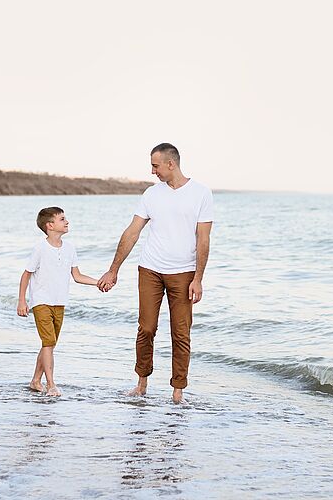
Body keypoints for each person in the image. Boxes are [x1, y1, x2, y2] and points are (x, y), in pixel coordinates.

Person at [97, 143, 214, 404]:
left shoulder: (201, 194)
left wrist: (198, 278)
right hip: (150, 269)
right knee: (146, 328)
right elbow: (132, 232)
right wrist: (113, 270)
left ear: (171, 164)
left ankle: (177, 391)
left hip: (184, 273)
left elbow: (203, 240)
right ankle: (141, 383)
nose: (153, 171)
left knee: (181, 333)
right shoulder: (151, 194)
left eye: (155, 165)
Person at [16, 207, 98, 396]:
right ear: (50, 226)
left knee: (49, 344)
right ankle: (51, 384)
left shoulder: (70, 248)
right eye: (62, 219)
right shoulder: (40, 248)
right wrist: (22, 301)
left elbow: (77, 276)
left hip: (60, 302)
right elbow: (26, 275)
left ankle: (36, 380)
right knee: (48, 341)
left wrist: (98, 283)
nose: (67, 221)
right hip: (41, 301)